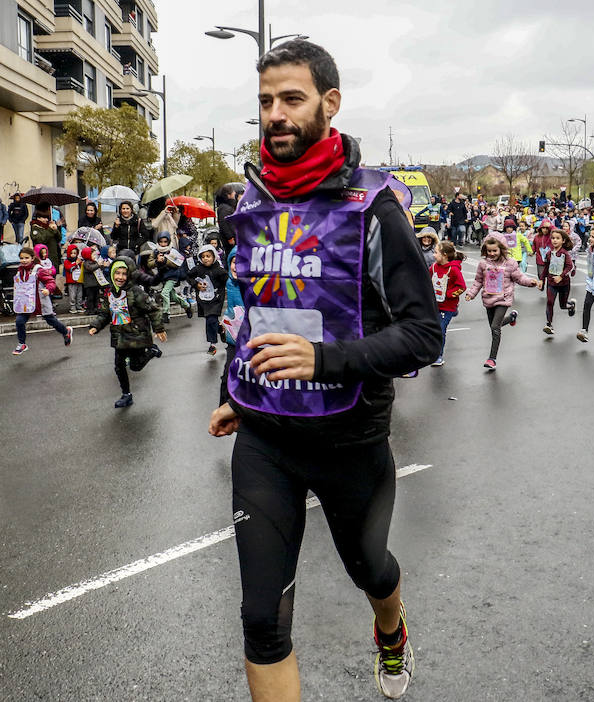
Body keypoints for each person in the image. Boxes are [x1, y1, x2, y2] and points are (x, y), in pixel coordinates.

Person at [206, 39, 441, 701]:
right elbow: (259, 306)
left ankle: (391, 629)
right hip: (265, 440)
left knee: (370, 569)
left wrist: (326, 360)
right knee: (261, 620)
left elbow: (423, 334)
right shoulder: (250, 204)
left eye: (291, 99)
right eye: (264, 102)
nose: (274, 114)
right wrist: (236, 385)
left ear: (329, 104)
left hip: (349, 441)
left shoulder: (375, 209)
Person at [88, 256, 166, 408]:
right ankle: (126, 394)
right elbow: (105, 313)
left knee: (135, 367)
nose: (120, 277)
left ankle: (151, 351)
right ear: (112, 274)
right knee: (119, 366)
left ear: (129, 275)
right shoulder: (109, 292)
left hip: (136, 335)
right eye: (117, 273)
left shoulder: (136, 292)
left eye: (124, 273)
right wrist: (96, 325)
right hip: (119, 336)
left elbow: (153, 309)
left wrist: (158, 328)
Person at [465, 234, 537, 369]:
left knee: (494, 328)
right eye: (489, 251)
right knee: (493, 325)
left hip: (503, 299)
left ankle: (492, 359)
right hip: (488, 298)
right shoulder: (483, 264)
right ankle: (511, 318)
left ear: (502, 249)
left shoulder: (510, 263)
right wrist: (471, 293)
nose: (491, 253)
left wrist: (530, 282)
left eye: (495, 251)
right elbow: (478, 281)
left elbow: (519, 277)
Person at [11, 246, 73, 355]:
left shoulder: (38, 270)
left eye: (26, 258)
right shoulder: (20, 271)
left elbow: (51, 282)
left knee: (50, 320)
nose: (24, 260)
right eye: (21, 258)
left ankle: (66, 331)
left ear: (32, 258)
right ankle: (22, 344)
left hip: (41, 302)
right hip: (26, 303)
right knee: (19, 321)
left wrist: (48, 290)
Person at [429, 240, 466, 367]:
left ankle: (438, 356)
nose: (434, 255)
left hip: (447, 306)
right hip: (435, 305)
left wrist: (448, 294)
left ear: (444, 255)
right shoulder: (433, 267)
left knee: (440, 329)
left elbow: (461, 287)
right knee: (432, 328)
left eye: (436, 253)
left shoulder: (454, 270)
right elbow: (427, 281)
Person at [186, 244, 227, 355]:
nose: (205, 258)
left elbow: (228, 280)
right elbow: (188, 276)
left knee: (210, 320)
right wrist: (196, 284)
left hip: (216, 299)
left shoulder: (219, 270)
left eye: (208, 256)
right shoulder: (198, 269)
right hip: (203, 300)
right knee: (211, 320)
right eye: (203, 256)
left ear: (214, 256)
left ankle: (212, 345)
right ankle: (220, 329)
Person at [218, 247, 243, 405]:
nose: (236, 266)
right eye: (234, 262)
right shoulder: (230, 282)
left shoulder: (255, 284)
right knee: (228, 375)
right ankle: (223, 410)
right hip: (234, 339)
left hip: (253, 339)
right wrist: (225, 322)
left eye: (242, 262)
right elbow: (231, 310)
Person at [148, 232, 192, 323]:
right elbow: (149, 263)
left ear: (168, 242)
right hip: (162, 276)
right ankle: (186, 306)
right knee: (173, 296)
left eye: (165, 242)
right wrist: (157, 261)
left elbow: (177, 263)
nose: (163, 244)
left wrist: (165, 261)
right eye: (161, 242)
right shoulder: (155, 251)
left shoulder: (172, 251)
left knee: (164, 293)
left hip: (172, 276)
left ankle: (166, 313)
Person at [541, 228, 576, 335]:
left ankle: (571, 305)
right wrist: (542, 280)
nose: (554, 240)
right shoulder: (549, 254)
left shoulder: (565, 254)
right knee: (549, 302)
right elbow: (546, 268)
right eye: (553, 238)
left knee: (563, 305)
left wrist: (561, 276)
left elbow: (570, 266)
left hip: (564, 284)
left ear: (563, 241)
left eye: (557, 238)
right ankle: (549, 324)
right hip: (551, 283)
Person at [29, 203, 62, 270]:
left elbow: (59, 239)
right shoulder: (35, 228)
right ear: (38, 218)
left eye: (47, 218)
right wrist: (50, 230)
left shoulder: (49, 225)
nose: (46, 220)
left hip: (53, 256)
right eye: (44, 218)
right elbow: (40, 240)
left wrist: (56, 229)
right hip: (43, 258)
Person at [216, 186, 239, 255]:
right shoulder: (225, 208)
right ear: (228, 195)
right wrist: (230, 237)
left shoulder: (228, 206)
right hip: (230, 239)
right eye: (233, 191)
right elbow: (223, 223)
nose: (235, 193)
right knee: (231, 255)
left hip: (232, 237)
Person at [63, 243, 85, 313]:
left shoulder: (79, 260)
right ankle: (72, 306)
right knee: (72, 295)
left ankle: (79, 305)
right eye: (71, 253)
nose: (73, 254)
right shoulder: (67, 261)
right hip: (71, 281)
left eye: (75, 253)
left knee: (79, 294)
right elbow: (68, 268)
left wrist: (81, 263)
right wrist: (75, 263)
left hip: (79, 280)